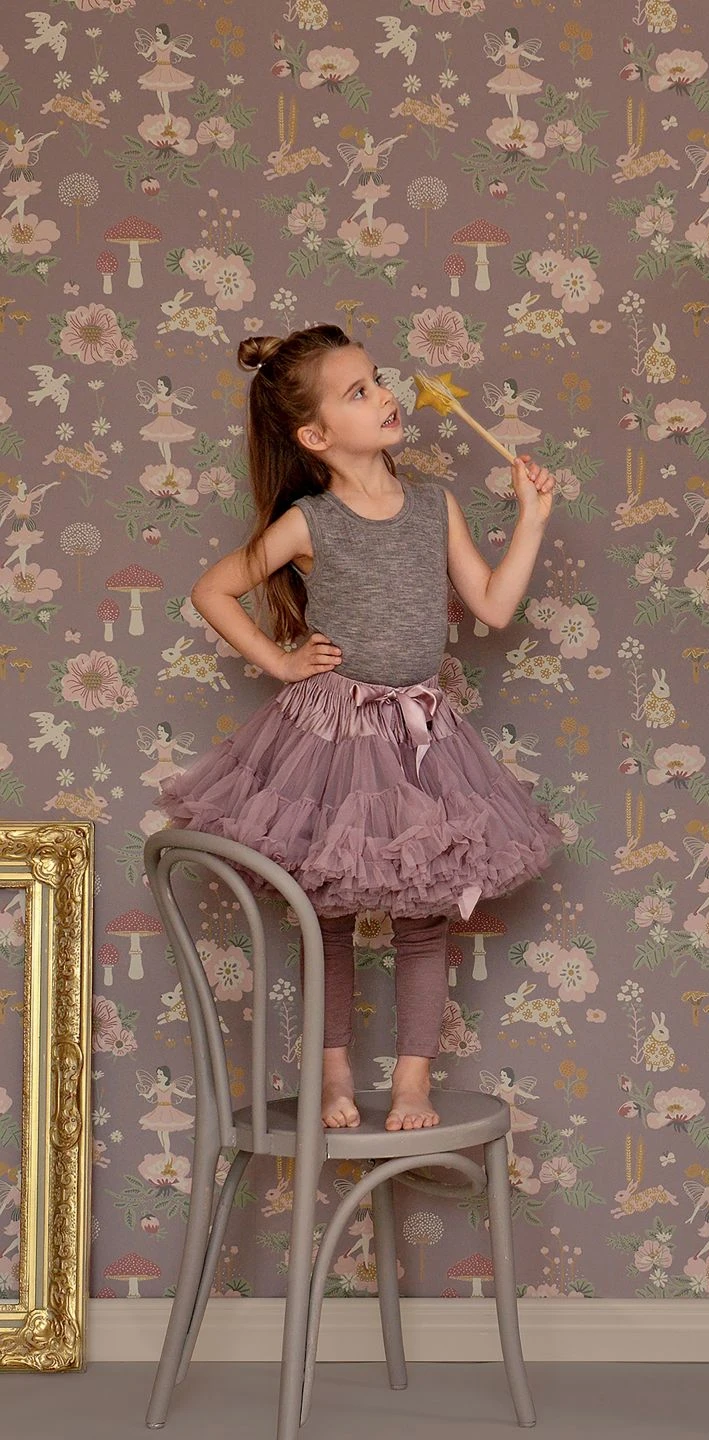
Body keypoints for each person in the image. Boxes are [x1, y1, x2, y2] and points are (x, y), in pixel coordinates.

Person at [157, 325, 561, 1135]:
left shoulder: (433, 507)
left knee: (425, 916)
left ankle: (413, 1081)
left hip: (422, 736)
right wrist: (281, 662)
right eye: (360, 392)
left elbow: (492, 605)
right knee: (328, 915)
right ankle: (333, 1070)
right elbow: (212, 590)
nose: (385, 396)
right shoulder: (311, 522)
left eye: (378, 380)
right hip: (333, 738)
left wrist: (532, 517)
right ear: (315, 436)